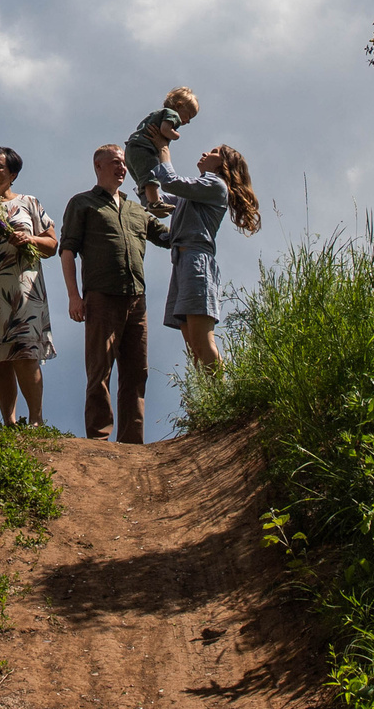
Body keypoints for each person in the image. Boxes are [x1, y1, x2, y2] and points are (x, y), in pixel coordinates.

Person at [57, 142, 170, 443]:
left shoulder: (136, 209)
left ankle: (132, 443)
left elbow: (167, 237)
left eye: (123, 163)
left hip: (137, 297)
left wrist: (195, 215)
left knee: (136, 372)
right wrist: (74, 296)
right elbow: (67, 251)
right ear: (98, 166)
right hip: (101, 296)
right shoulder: (82, 203)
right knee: (100, 370)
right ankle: (99, 440)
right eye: (115, 162)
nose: (122, 167)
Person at [0, 146, 58, 425]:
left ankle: (36, 420)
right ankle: (9, 422)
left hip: (24, 290)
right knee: (0, 357)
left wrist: (29, 239)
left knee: (25, 352)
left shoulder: (29, 203)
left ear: (13, 174)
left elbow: (52, 245)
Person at [152, 142, 260, 372]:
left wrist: (163, 152)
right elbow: (156, 202)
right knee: (193, 346)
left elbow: (170, 182)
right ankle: (208, 391)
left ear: (224, 164)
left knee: (202, 342)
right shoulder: (196, 190)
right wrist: (143, 170)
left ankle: (223, 391)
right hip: (182, 264)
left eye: (213, 152)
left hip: (196, 263)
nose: (205, 153)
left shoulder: (215, 184)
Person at [122, 85, 200, 216]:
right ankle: (155, 203)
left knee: (143, 178)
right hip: (145, 149)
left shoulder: (156, 114)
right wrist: (176, 135)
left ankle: (147, 199)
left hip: (132, 149)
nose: (188, 122)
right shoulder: (172, 114)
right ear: (179, 106)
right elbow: (165, 130)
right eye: (189, 116)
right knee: (152, 175)